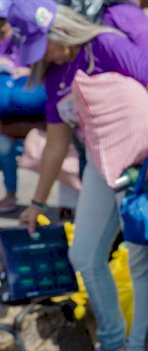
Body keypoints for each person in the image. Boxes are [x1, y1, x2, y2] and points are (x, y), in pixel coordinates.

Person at [12, 0, 148, 351]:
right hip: (103, 170)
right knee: (84, 254)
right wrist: (36, 202)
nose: (44, 56)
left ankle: (139, 349)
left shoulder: (104, 44)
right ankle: (112, 339)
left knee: (141, 261)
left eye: (44, 45)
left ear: (60, 31)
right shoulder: (54, 73)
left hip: (141, 166)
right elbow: (56, 143)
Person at [0, 0, 46, 214]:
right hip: (6, 114)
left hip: (32, 109)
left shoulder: (23, 38)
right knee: (4, 147)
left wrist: (25, 72)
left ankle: (44, 203)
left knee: (51, 152)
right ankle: (11, 194)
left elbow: (41, 66)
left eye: (2, 20)